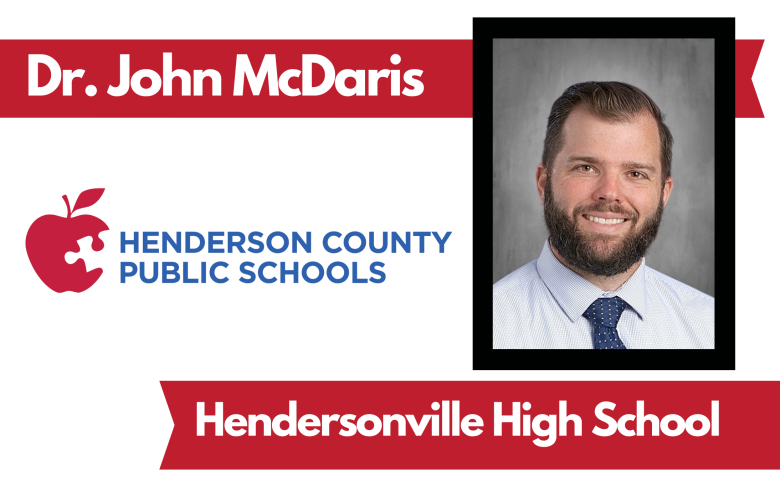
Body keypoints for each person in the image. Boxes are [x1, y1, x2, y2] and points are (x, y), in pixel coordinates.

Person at [493, 81, 714, 349]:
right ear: (543, 183)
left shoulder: (709, 327)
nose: (609, 193)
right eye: (586, 167)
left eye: (635, 174)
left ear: (663, 193)